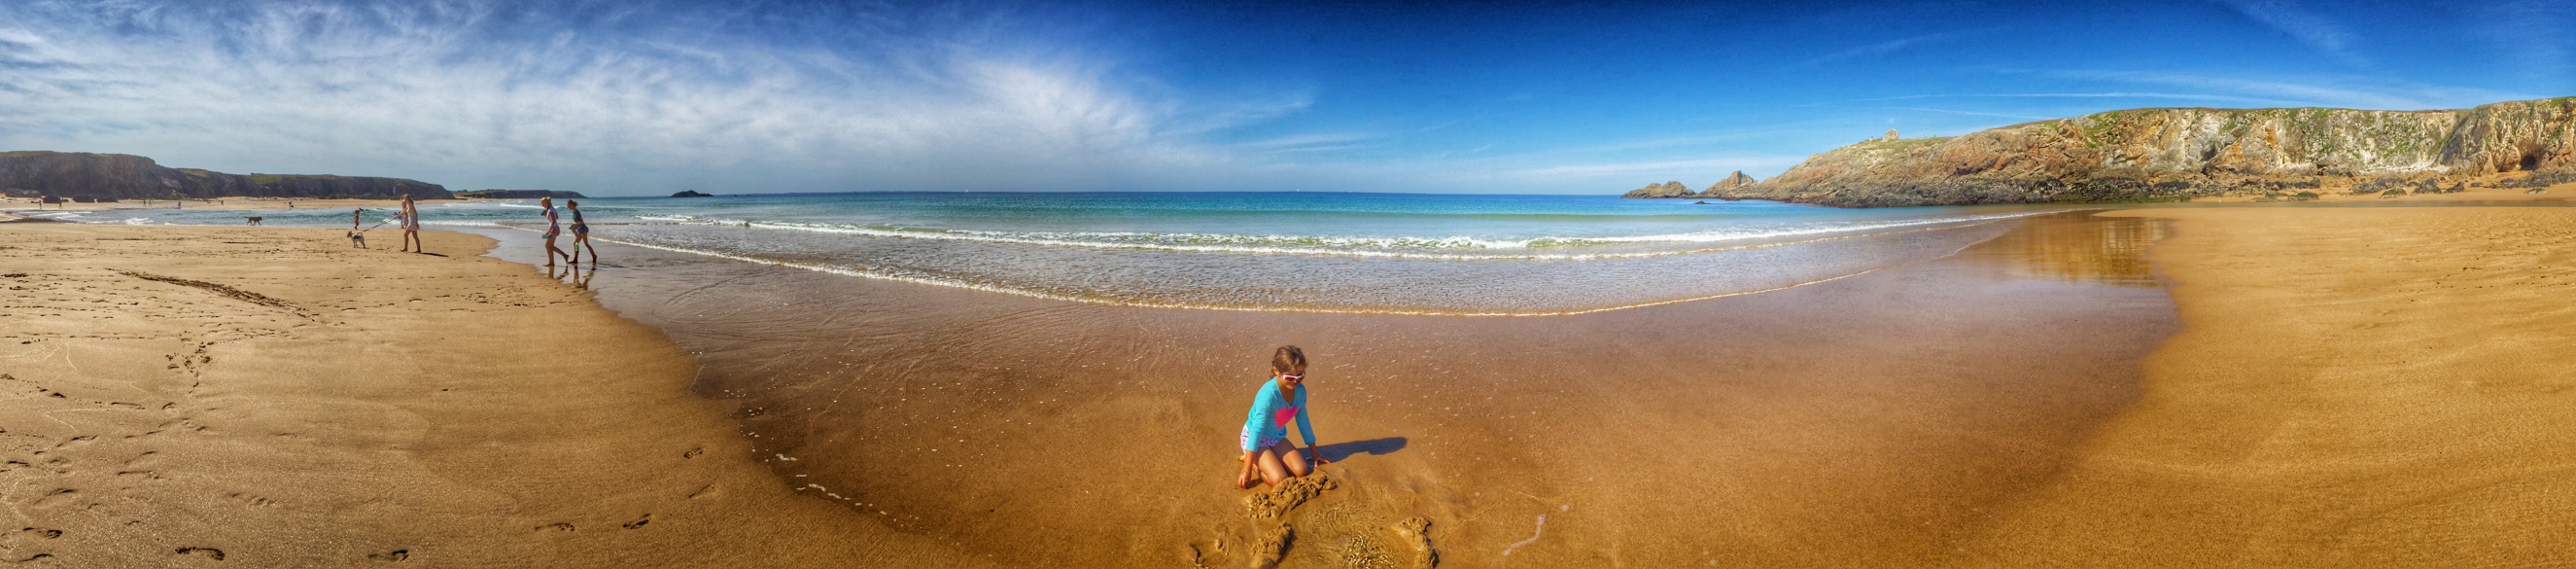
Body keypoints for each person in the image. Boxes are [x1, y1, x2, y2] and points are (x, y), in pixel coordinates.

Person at [1236, 345, 1330, 489]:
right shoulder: (1268, 395)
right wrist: (1247, 469)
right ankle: (1251, 459)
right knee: (1280, 479)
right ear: (1276, 372)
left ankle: (1268, 457)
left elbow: (1302, 420)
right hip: (1255, 437)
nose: (1296, 381)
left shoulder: (1300, 392)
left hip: (1276, 436)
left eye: (1300, 375)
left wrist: (1315, 452)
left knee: (1301, 470)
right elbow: (1257, 429)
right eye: (1290, 377)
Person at [539, 197, 571, 267]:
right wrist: (547, 215)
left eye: (542, 202)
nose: (541, 204)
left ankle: (552, 262)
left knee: (547, 245)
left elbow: (553, 220)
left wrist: (549, 230)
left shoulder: (550, 209)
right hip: (555, 228)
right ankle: (564, 256)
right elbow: (557, 217)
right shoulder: (551, 209)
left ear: (546, 202)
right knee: (550, 246)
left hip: (553, 229)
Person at [565, 200, 598, 265]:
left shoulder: (577, 212)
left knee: (586, 244)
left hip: (583, 229)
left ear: (572, 205)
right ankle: (575, 259)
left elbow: (582, 221)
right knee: (576, 243)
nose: (567, 206)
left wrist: (576, 224)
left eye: (568, 205)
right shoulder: (574, 212)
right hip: (579, 229)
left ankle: (594, 256)